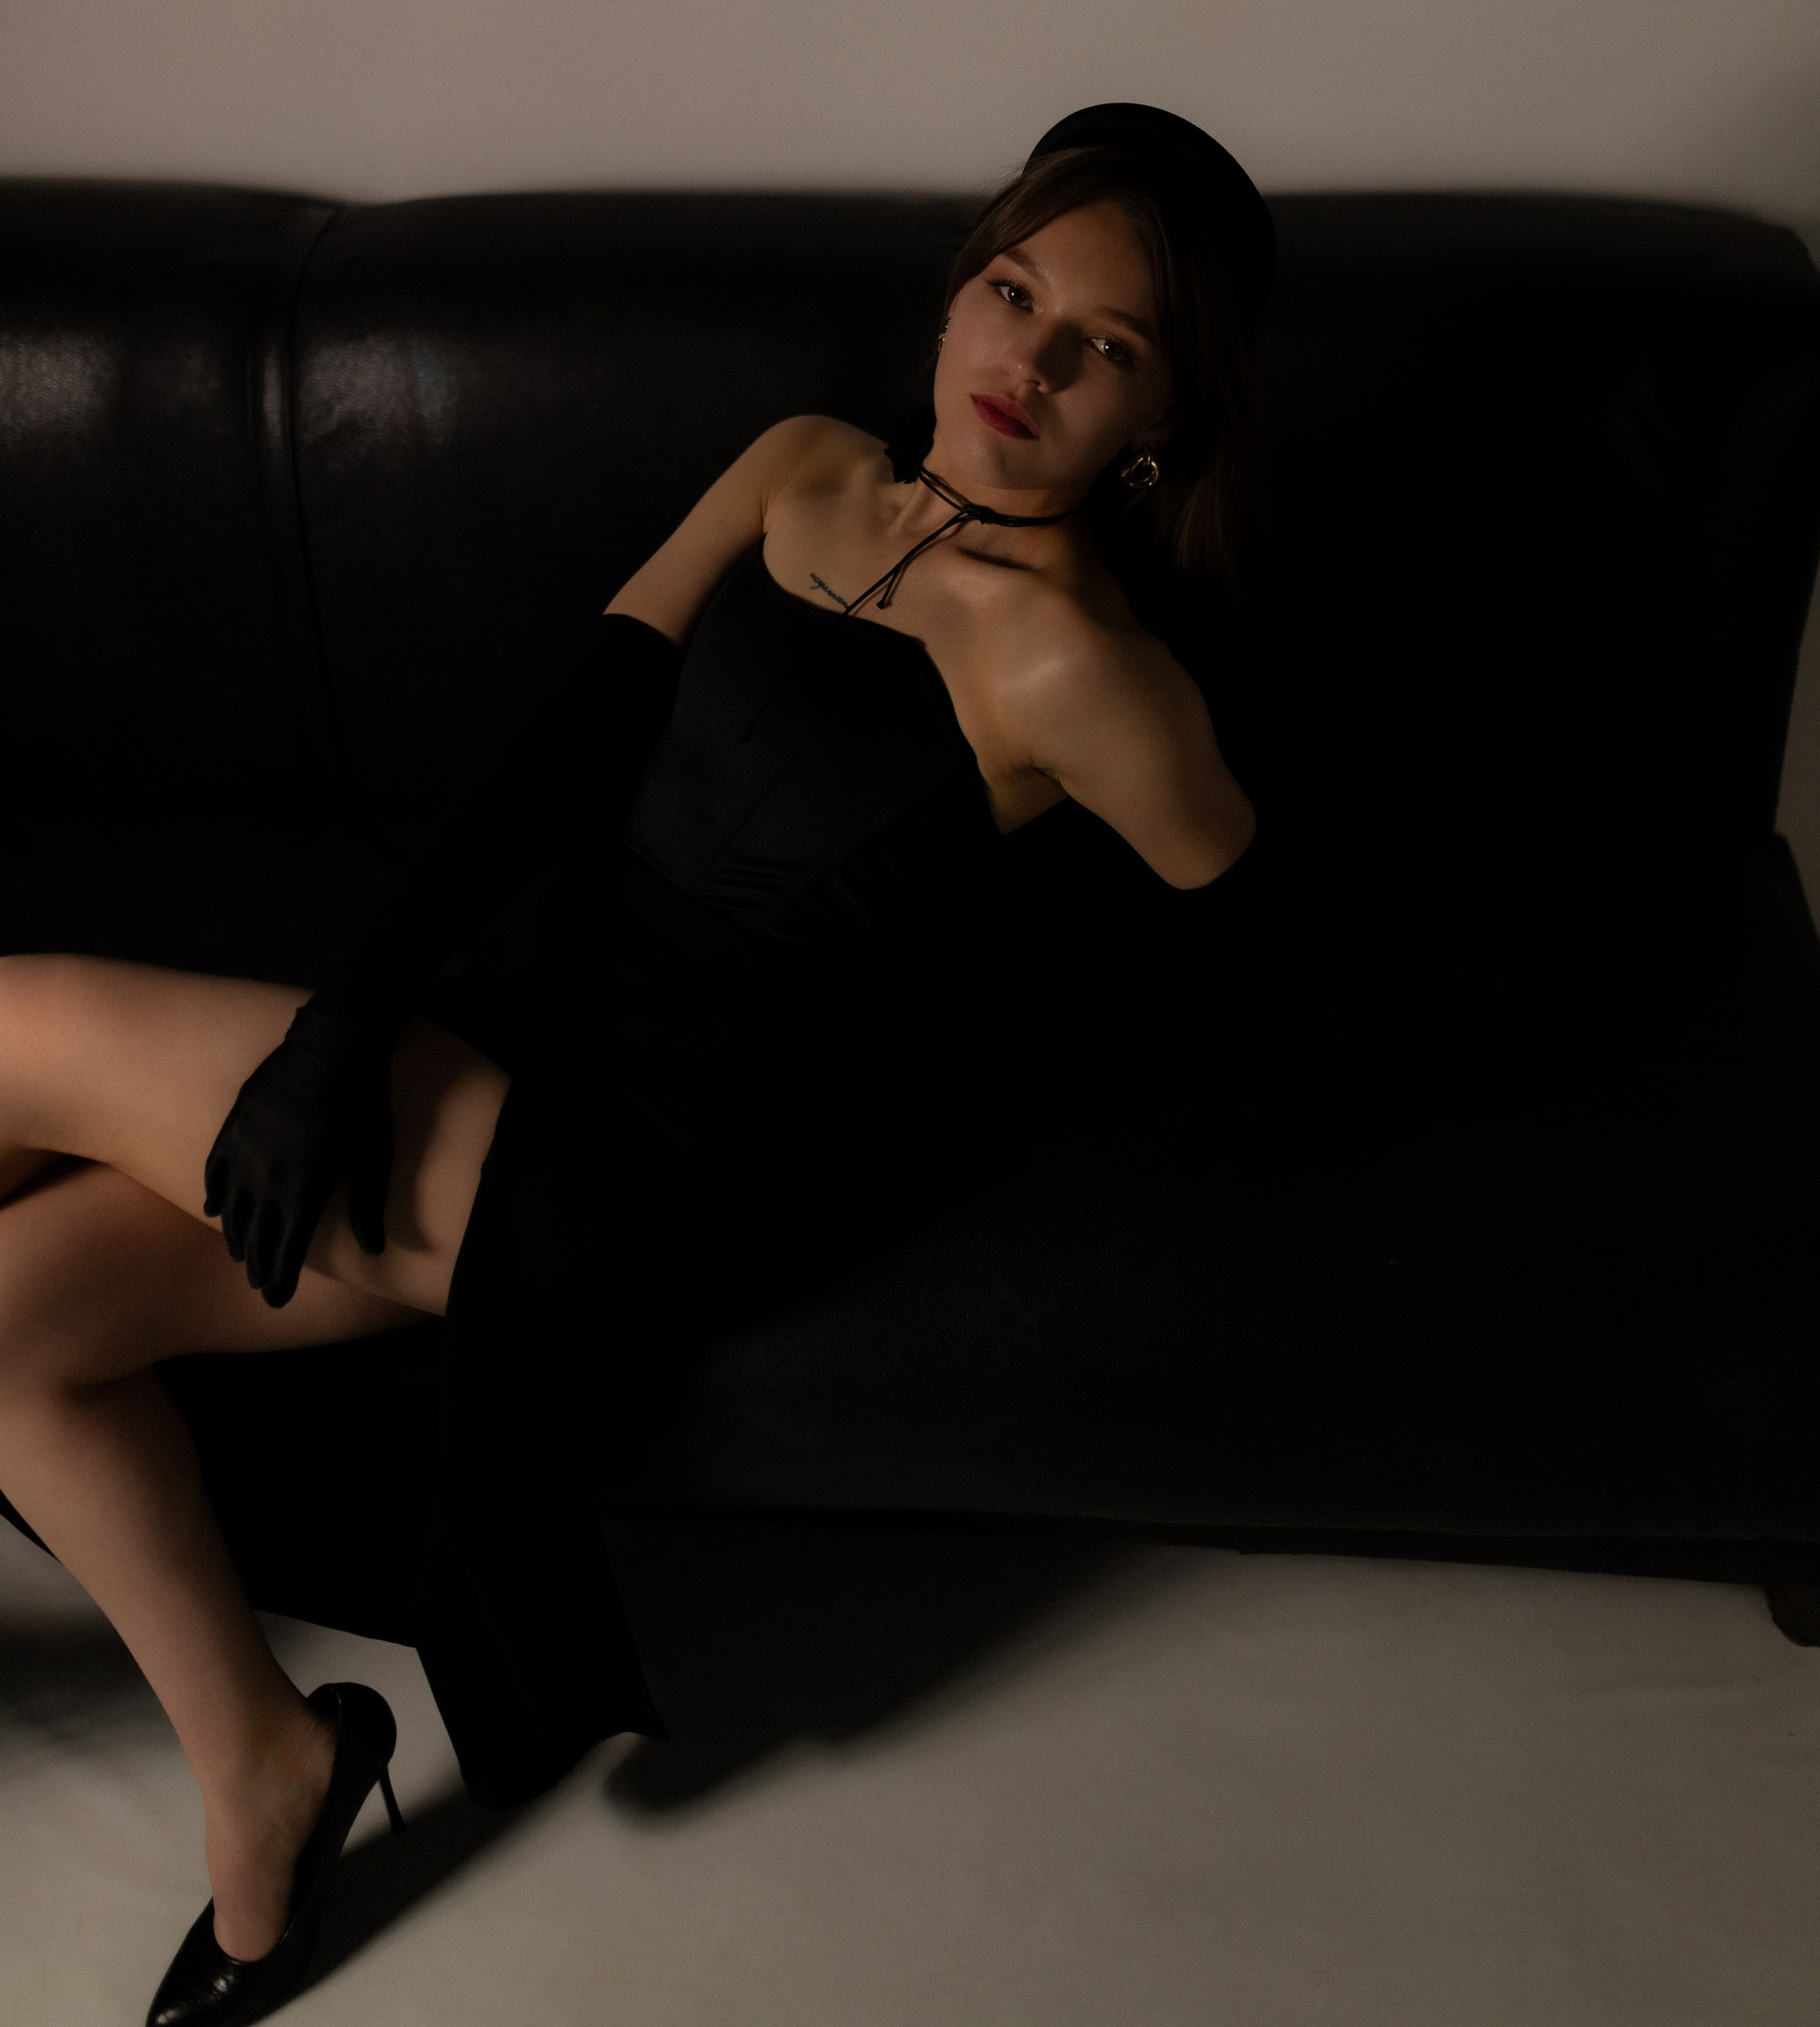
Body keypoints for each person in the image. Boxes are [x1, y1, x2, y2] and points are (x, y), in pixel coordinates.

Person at [0, 102, 1274, 2026]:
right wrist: (346, 1024)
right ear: (962, 287)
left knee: (13, 1021)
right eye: (1017, 292)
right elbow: (567, 746)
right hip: (506, 1019)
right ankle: (269, 1766)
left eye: (1107, 346)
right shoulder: (806, 463)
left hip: (643, 1162)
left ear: (1160, 420)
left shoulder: (1081, 667)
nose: (1029, 362)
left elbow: (1263, 917)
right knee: (14, 1317)